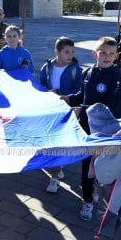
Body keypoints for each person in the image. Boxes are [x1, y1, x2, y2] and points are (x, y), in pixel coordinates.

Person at [65, 37, 121, 219]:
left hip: (105, 133)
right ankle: (87, 201)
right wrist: (68, 99)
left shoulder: (116, 77)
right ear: (95, 54)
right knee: (85, 166)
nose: (106, 57)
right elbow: (81, 95)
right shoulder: (88, 72)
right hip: (86, 131)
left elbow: (112, 109)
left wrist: (81, 109)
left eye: (111, 54)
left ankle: (99, 193)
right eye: (103, 53)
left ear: (116, 56)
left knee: (101, 167)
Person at [38, 36, 83, 193]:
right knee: (52, 141)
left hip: (67, 109)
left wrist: (67, 97)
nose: (70, 55)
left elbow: (79, 90)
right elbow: (41, 84)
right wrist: (47, 93)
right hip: (51, 109)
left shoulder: (77, 70)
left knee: (61, 141)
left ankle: (55, 175)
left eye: (71, 52)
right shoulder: (47, 67)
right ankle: (56, 173)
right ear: (57, 52)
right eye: (66, 52)